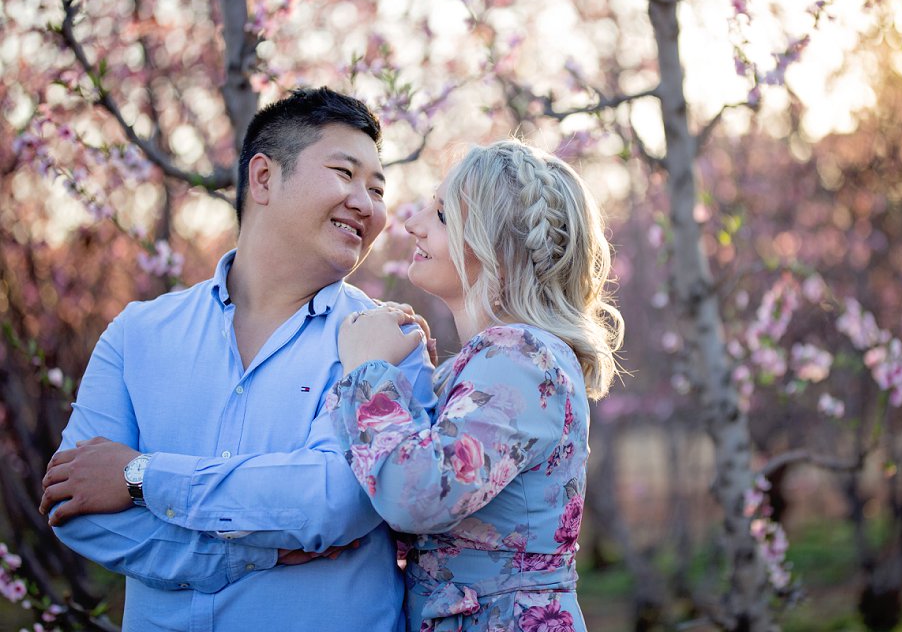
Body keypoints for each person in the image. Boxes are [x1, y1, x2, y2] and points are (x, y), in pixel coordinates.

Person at [38, 87, 432, 632]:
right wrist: (251, 553)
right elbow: (77, 512)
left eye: (378, 189)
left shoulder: (388, 341)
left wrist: (139, 477)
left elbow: (336, 500)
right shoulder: (139, 333)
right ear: (264, 177)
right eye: (345, 173)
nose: (366, 204)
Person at [327, 139, 624, 631]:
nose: (413, 223)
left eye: (442, 216)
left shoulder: (522, 357)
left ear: (498, 250)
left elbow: (415, 497)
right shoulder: (497, 360)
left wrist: (369, 371)